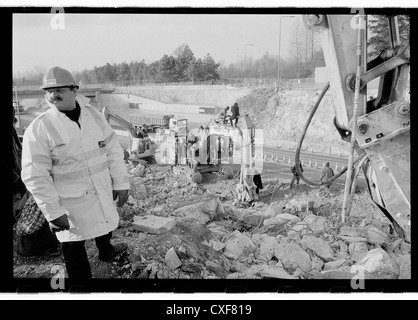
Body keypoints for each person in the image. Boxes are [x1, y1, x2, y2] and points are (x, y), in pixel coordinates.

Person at [21, 66, 130, 280]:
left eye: (59, 89)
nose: (53, 95)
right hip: (69, 202)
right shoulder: (39, 128)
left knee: (104, 223)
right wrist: (52, 212)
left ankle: (106, 251)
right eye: (49, 91)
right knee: (73, 248)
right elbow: (35, 175)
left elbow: (113, 151)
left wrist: (121, 183)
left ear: (74, 90)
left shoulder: (95, 116)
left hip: (100, 189)